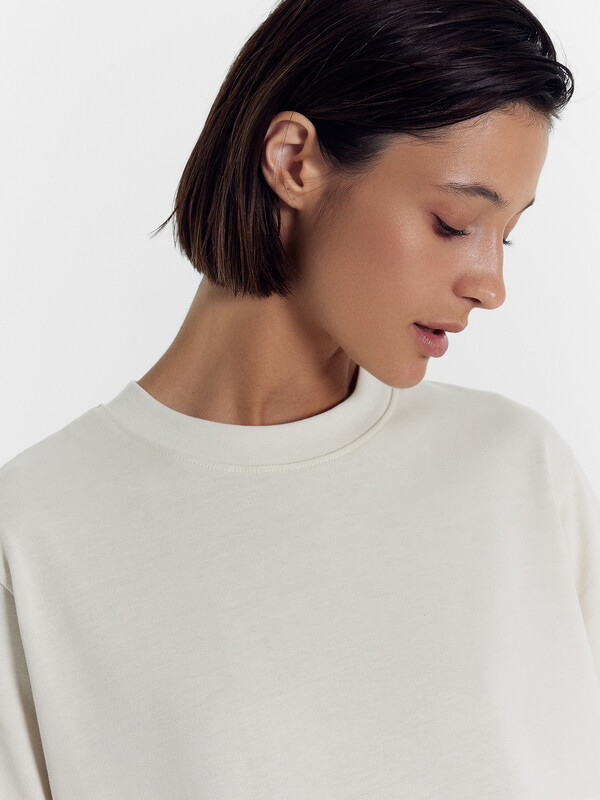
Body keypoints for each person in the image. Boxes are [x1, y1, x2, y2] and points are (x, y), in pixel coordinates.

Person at [1, 0, 599, 797]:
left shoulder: (519, 470)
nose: (491, 284)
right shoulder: (35, 534)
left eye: (508, 234)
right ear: (292, 161)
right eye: (454, 223)